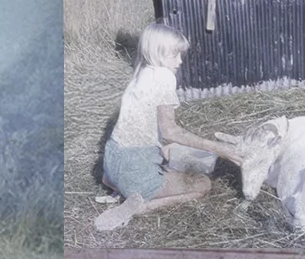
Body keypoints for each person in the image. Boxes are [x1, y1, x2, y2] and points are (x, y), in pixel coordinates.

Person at [95, 22, 241, 231]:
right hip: (135, 175)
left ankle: (117, 184)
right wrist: (221, 148)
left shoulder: (141, 72)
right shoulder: (164, 77)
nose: (180, 61)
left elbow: (150, 129)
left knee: (168, 149)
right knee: (202, 184)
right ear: (159, 52)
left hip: (111, 165)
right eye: (175, 54)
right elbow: (170, 130)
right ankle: (143, 206)